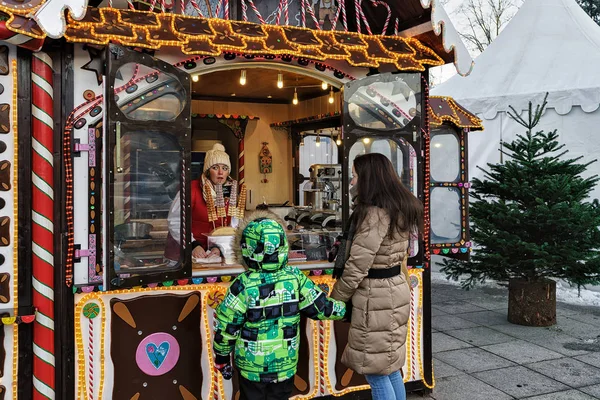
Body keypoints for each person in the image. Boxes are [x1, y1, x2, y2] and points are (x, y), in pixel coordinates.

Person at [212, 212, 346, 400]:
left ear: (246, 248)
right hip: (285, 364)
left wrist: (222, 358)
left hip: (251, 367)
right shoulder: (295, 278)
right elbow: (321, 307)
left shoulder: (242, 285)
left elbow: (227, 327)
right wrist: (348, 309)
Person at [331, 153, 423, 400]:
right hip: (393, 291)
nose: (352, 180)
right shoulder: (399, 207)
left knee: (375, 372)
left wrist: (336, 298)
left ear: (367, 178)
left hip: (375, 298)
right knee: (389, 368)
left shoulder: (373, 214)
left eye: (355, 175)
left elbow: (357, 265)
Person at [164, 143, 246, 262]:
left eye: (225, 168)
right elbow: (176, 221)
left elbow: (234, 227)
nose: (220, 173)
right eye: (215, 167)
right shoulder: (190, 189)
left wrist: (219, 247)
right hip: (182, 256)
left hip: (212, 257)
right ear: (207, 171)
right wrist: (192, 245)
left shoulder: (231, 194)